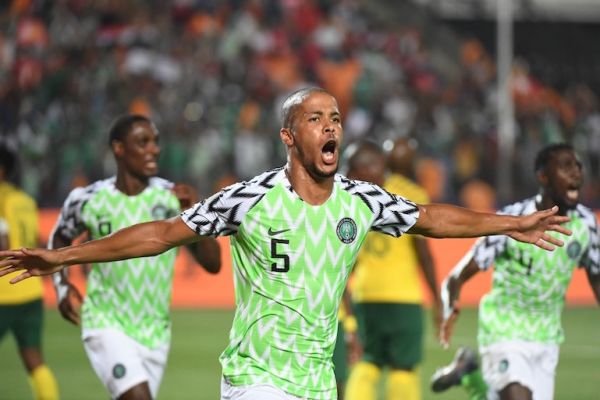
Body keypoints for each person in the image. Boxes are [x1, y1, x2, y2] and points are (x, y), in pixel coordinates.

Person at [1, 88, 572, 400]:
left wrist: (508, 222)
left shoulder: (360, 200)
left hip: (317, 382)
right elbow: (160, 234)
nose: (331, 127)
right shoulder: (247, 199)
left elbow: (429, 218)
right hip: (257, 380)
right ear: (288, 136)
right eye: (316, 118)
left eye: (336, 118)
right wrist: (62, 257)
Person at [48, 114, 222, 400]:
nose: (154, 149)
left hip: (155, 331)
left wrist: (196, 215)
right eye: (143, 142)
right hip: (105, 322)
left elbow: (213, 265)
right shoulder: (88, 199)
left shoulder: (172, 197)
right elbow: (59, 237)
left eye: (155, 142)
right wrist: (62, 286)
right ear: (118, 148)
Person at [430, 143, 600, 400]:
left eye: (577, 166)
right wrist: (449, 301)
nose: (576, 172)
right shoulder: (514, 219)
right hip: (504, 328)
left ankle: (470, 375)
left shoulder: (586, 224)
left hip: (547, 336)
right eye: (566, 166)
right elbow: (458, 274)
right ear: (543, 176)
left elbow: (597, 278)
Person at [344, 139, 440, 400]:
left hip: (365, 294)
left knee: (368, 361)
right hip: (403, 296)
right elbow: (424, 255)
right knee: (403, 369)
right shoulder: (411, 194)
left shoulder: (350, 198)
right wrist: (437, 298)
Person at [0, 144, 59, 400]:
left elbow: (2, 243)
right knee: (35, 360)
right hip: (30, 292)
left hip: (2, 291)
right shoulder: (25, 200)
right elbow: (35, 241)